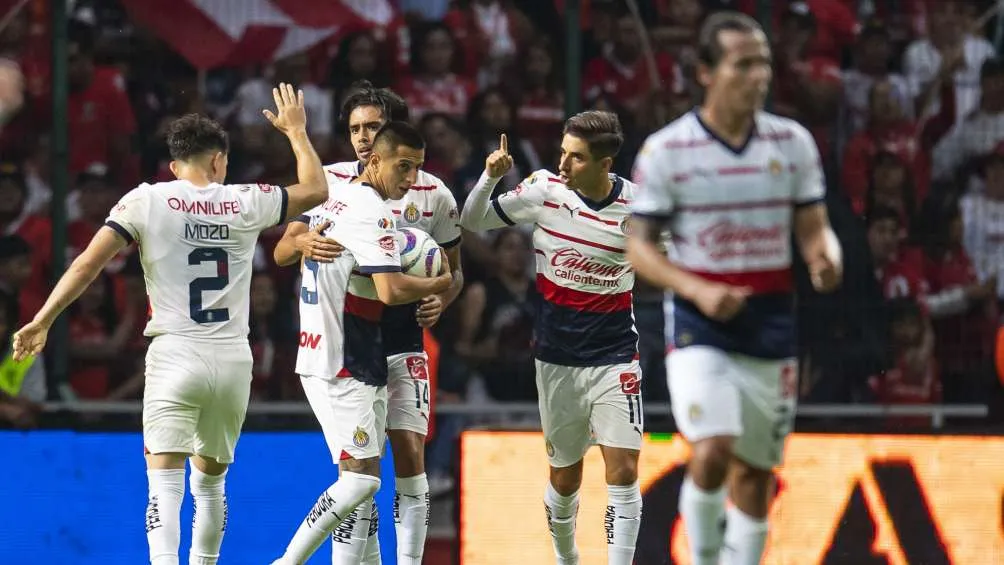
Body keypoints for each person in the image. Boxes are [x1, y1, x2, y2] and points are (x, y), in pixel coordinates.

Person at [11, 83, 330, 565]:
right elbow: (317, 191)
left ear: (175, 166)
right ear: (220, 161)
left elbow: (86, 266)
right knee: (211, 483)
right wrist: (298, 133)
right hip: (231, 360)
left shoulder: (146, 200)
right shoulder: (247, 200)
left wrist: (42, 319)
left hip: (174, 354)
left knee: (163, 483)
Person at [626, 12, 842, 565]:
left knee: (755, 473)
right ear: (705, 72)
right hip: (701, 321)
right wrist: (694, 290)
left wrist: (825, 259)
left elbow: (815, 229)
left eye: (764, 62)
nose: (758, 75)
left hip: (772, 316)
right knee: (714, 448)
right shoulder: (667, 151)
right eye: (743, 64)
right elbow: (638, 247)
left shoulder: (792, 144)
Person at [274, 81, 464, 564]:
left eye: (372, 127)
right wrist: (302, 244)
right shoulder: (333, 184)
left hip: (395, 341)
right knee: (359, 478)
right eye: (355, 129)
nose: (361, 137)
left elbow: (454, 271)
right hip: (347, 346)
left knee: (394, 466)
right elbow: (284, 250)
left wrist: (444, 294)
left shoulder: (430, 193)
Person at [460, 111, 643, 565]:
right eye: (562, 152)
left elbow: (673, 255)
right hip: (557, 359)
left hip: (615, 355)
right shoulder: (544, 191)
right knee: (565, 478)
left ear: (605, 162)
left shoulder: (638, 208)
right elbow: (472, 220)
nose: (562, 164)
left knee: (623, 472)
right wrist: (489, 177)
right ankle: (566, 558)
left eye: (575, 158)